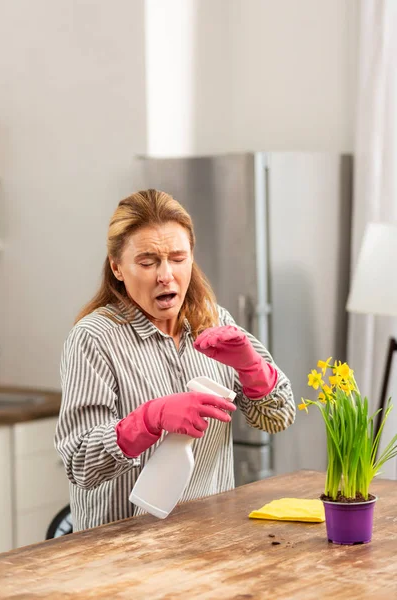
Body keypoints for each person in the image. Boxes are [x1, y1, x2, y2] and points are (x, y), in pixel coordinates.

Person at [55, 189, 295, 531]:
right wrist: (147, 420)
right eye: (147, 262)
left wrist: (251, 367)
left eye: (178, 258)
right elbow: (80, 463)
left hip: (208, 538)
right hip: (120, 550)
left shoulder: (215, 321)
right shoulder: (93, 338)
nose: (165, 275)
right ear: (117, 267)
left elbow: (279, 417)